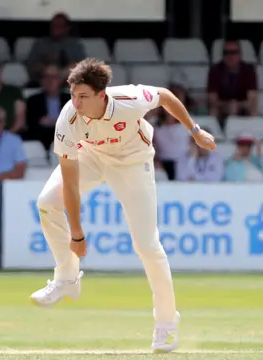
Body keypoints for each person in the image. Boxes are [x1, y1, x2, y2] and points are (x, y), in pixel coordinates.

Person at [30, 58, 216, 353]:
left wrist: (195, 131)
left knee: (147, 245)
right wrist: (76, 234)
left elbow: (165, 96)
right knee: (46, 203)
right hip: (91, 156)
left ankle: (166, 323)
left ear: (101, 95)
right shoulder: (69, 119)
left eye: (83, 97)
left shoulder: (129, 98)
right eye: (73, 96)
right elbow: (69, 181)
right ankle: (67, 278)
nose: (76, 104)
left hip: (132, 162)